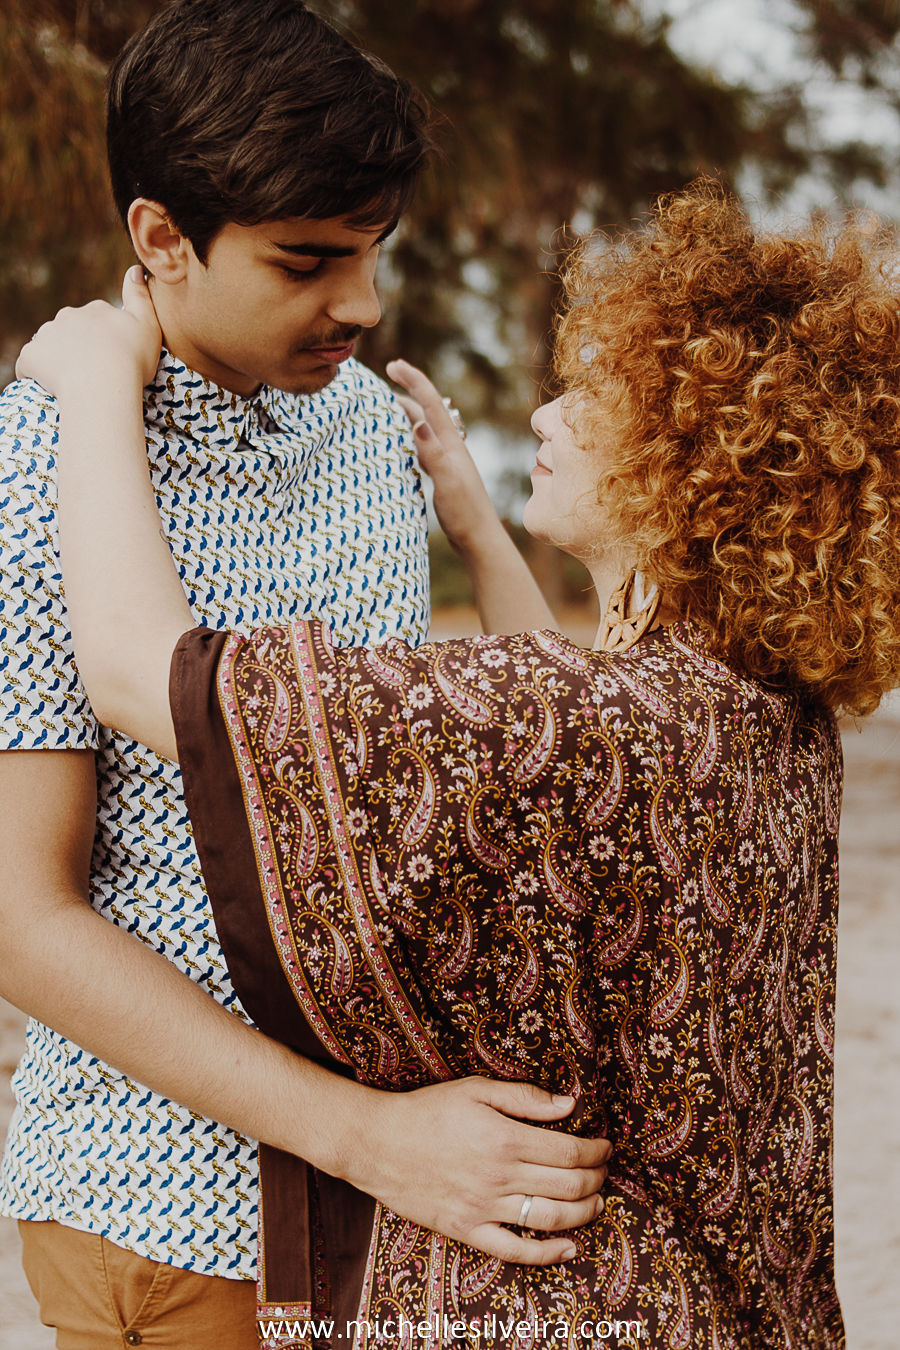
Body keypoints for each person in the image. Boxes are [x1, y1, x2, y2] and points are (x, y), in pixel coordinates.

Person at [23, 180, 899, 1349]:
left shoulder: (576, 720)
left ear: (691, 464)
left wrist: (90, 383)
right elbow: (554, 751)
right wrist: (480, 529)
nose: (546, 415)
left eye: (600, 395)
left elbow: (151, 675)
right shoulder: (763, 724)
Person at [0, 3, 610, 1347]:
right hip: (175, 1209)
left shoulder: (367, 420)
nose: (365, 304)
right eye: (309, 260)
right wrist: (362, 1136)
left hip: (417, 1207)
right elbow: (18, 916)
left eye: (377, 250)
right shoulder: (43, 463)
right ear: (162, 238)